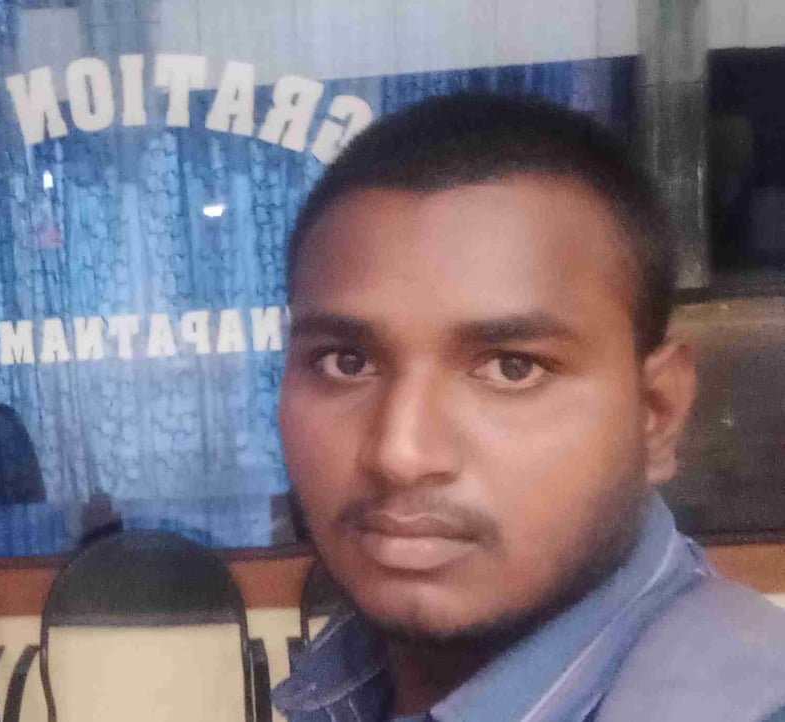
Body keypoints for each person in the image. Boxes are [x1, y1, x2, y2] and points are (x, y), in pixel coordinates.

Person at [272, 93, 785, 722]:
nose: (400, 454)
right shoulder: (347, 681)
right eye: (345, 362)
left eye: (512, 368)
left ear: (656, 414)